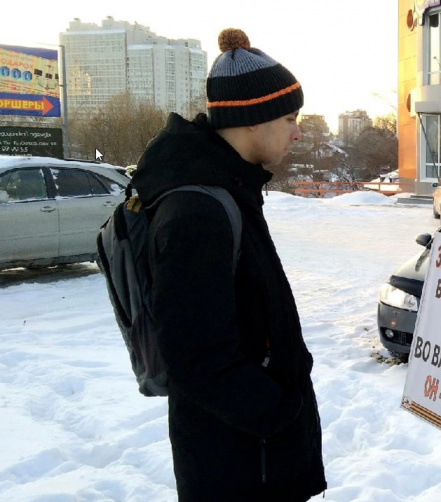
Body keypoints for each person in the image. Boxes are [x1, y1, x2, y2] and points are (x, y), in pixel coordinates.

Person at [130, 28, 326, 501]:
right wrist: (275, 412)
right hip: (240, 464)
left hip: (253, 454)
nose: (298, 131)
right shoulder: (199, 209)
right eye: (290, 117)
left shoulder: (229, 187)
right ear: (254, 119)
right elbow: (195, 354)